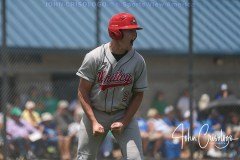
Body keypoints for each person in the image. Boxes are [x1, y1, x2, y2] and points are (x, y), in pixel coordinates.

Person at [76, 12, 148, 160]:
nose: (134, 35)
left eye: (135, 31)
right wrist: (94, 122)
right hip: (95, 113)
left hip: (123, 113)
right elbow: (82, 91)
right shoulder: (94, 57)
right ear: (116, 33)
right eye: (130, 31)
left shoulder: (138, 61)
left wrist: (125, 121)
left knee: (135, 157)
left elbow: (139, 94)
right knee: (84, 158)